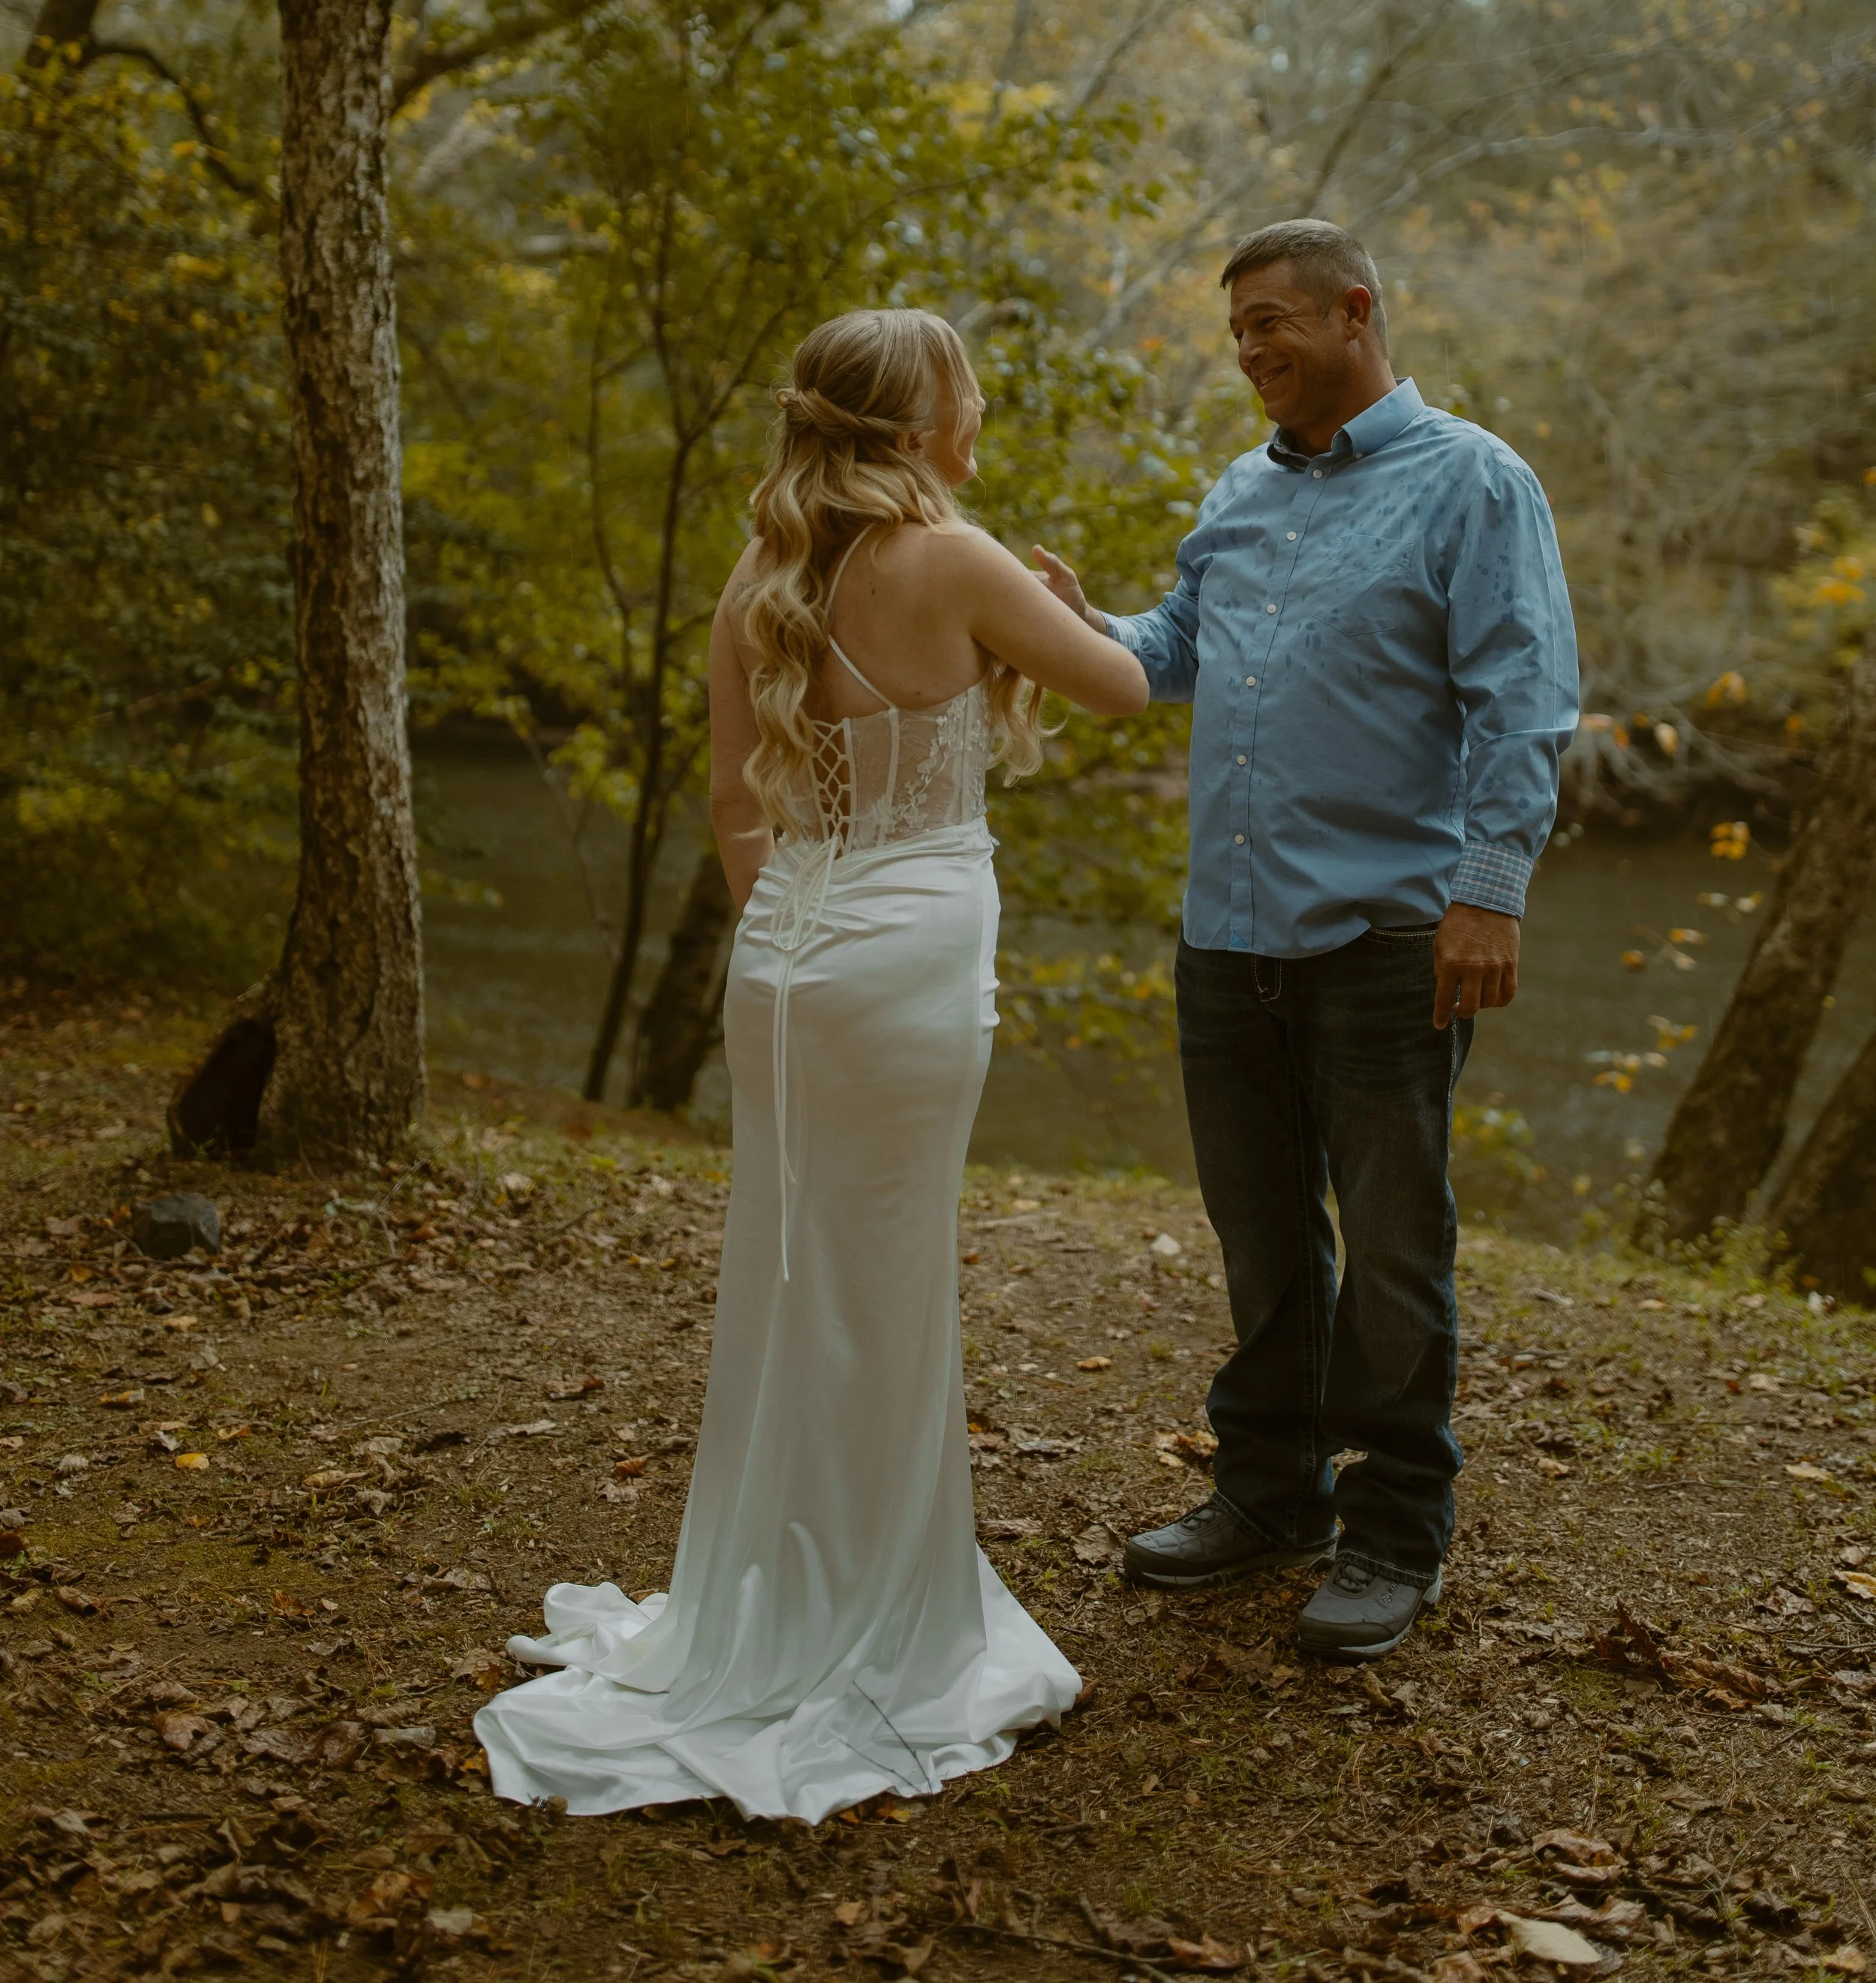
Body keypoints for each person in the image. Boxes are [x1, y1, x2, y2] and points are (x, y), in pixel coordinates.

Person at [476, 307, 1147, 1820]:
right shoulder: (957, 558)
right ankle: (879, 1624)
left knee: (792, 1288)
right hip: (904, 966)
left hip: (782, 965)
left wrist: (783, 938)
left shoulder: (762, 577)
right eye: (964, 397)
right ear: (914, 428)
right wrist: (1080, 614)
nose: (977, 418)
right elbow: (1124, 690)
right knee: (886, 1285)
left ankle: (777, 1591)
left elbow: (735, 802)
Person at [1036, 218, 1577, 1663]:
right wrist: (1078, 621)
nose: (1252, 351)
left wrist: (1491, 887)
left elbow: (1524, 699)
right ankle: (1270, 1493)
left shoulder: (1474, 480)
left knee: (1395, 1245)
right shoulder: (1239, 491)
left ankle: (1397, 1525)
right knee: (1262, 1238)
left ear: (1356, 312)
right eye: (1236, 334)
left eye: (1273, 321)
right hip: (1229, 938)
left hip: (1387, 934)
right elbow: (1172, 656)